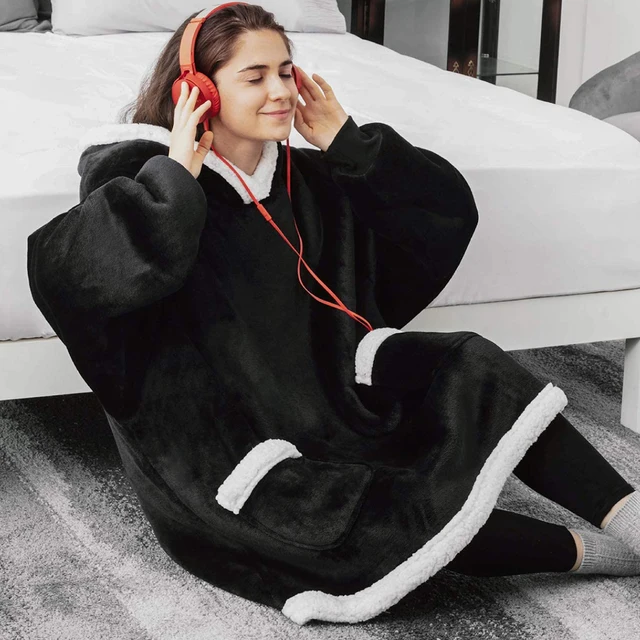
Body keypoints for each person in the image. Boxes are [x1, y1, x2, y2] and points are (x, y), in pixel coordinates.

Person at [26, 2, 640, 627]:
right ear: (197, 91)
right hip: (226, 449)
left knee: (469, 362)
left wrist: (350, 143)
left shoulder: (308, 178)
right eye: (254, 76)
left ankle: (632, 520)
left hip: (339, 394)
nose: (279, 91)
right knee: (369, 522)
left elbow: (444, 217)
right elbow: (68, 280)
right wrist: (173, 184)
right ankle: (596, 554)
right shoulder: (134, 178)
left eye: (285, 71)